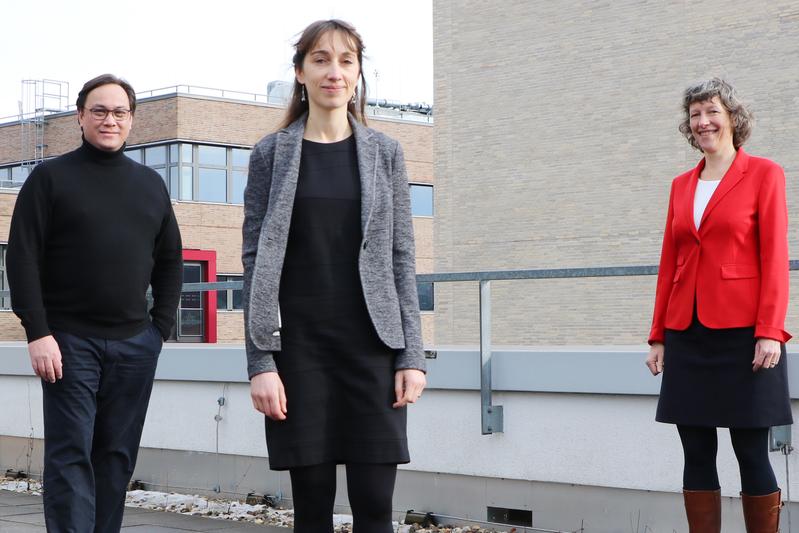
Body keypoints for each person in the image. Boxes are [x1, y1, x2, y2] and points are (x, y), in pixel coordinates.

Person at [242, 19, 427, 532]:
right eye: (321, 60)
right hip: (298, 353)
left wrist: (411, 354)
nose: (334, 72)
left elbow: (400, 258)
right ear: (300, 72)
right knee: (312, 510)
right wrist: (260, 362)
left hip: (372, 349)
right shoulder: (269, 155)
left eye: (346, 61)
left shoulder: (384, 153)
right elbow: (256, 260)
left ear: (358, 72)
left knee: (374, 507)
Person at [6, 74, 183, 533]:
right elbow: (22, 257)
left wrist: (158, 331)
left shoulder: (150, 185)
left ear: (131, 121)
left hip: (134, 345)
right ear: (81, 117)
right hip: (67, 343)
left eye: (119, 112)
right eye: (99, 111)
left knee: (116, 458)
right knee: (70, 456)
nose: (110, 119)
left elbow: (170, 261)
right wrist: (38, 332)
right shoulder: (50, 179)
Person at [646, 78, 790, 532]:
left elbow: (775, 257)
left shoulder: (765, 174)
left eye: (711, 112)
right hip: (688, 334)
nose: (703, 121)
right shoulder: (681, 185)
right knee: (696, 453)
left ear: (731, 118)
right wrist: (658, 336)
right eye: (695, 115)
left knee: (750, 452)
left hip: (745, 335)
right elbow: (670, 264)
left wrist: (770, 328)